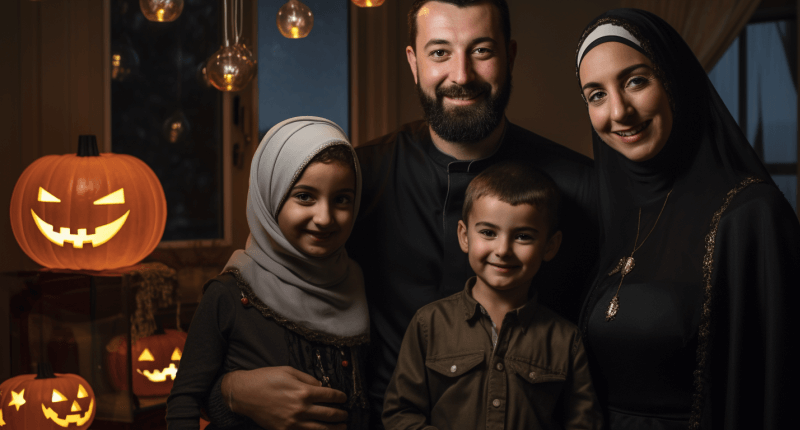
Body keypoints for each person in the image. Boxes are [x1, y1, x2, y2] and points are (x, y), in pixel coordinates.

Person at [206, 1, 598, 428]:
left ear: (511, 56)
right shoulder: (354, 185)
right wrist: (231, 391)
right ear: (413, 62)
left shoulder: (579, 187)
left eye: (481, 51)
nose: (461, 75)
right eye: (440, 52)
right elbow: (257, 309)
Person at [575, 9, 800, 429]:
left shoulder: (751, 215)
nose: (619, 111)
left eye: (635, 81)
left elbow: (783, 394)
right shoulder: (618, 213)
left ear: (673, 80)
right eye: (596, 95)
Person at [166, 117, 369, 430]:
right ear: (269, 197)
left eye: (342, 199)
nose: (325, 217)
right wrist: (231, 398)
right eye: (305, 196)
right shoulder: (228, 294)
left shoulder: (358, 282)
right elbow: (185, 401)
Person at [382, 162, 602, 430]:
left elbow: (584, 424)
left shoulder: (566, 340)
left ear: (550, 245)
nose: (503, 250)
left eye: (523, 236)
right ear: (464, 236)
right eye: (488, 233)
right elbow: (400, 415)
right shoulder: (429, 324)